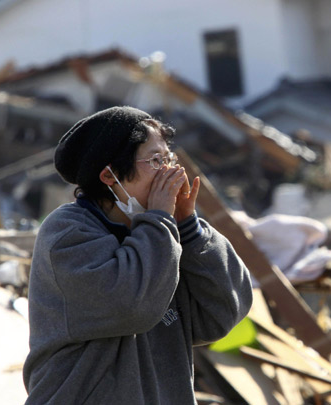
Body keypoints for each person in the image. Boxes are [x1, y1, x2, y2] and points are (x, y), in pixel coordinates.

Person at [23, 106, 253, 404]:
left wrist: (189, 228)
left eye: (169, 158)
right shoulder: (67, 233)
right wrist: (159, 220)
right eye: (156, 160)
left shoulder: (163, 234)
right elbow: (132, 306)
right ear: (109, 175)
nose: (171, 172)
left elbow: (221, 315)